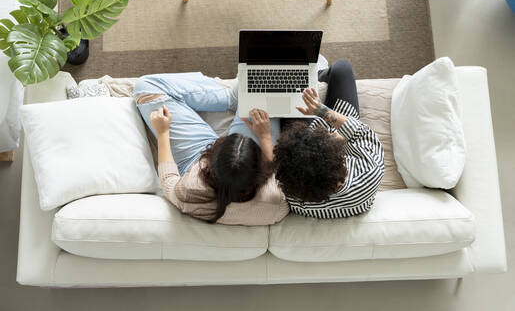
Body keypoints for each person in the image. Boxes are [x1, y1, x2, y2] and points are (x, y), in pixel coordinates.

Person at [133, 73, 289, 225]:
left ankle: (229, 97)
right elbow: (276, 170)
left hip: (196, 158)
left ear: (211, 163)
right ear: (260, 172)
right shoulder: (275, 204)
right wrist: (265, 137)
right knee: (262, 86)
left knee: (146, 87)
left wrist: (162, 132)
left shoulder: (190, 191)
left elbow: (168, 180)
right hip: (237, 165)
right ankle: (237, 98)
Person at [273, 60, 385, 218]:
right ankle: (316, 72)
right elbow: (362, 131)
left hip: (309, 142)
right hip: (345, 137)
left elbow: (277, 166)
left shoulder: (294, 193)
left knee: (294, 79)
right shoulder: (369, 173)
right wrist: (322, 111)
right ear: (339, 157)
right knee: (342, 68)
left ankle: (311, 74)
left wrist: (265, 135)